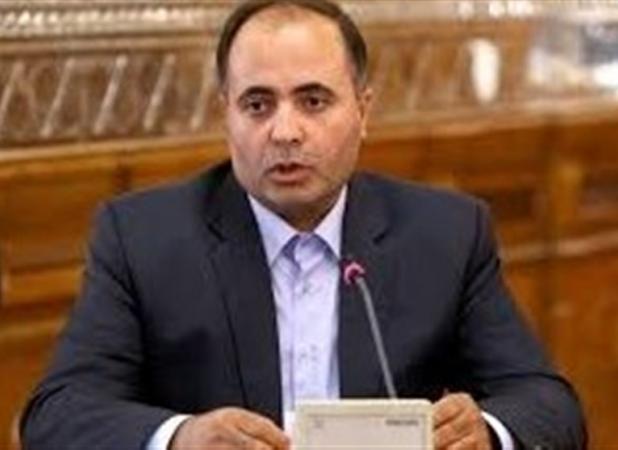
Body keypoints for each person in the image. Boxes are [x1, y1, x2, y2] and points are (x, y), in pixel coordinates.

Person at [21, 1, 586, 449]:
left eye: (313, 101)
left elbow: (548, 405)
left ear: (363, 111)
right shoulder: (142, 238)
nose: (285, 131)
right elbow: (56, 415)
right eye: (258, 105)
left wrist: (486, 430)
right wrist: (180, 438)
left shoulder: (445, 233)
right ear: (226, 115)